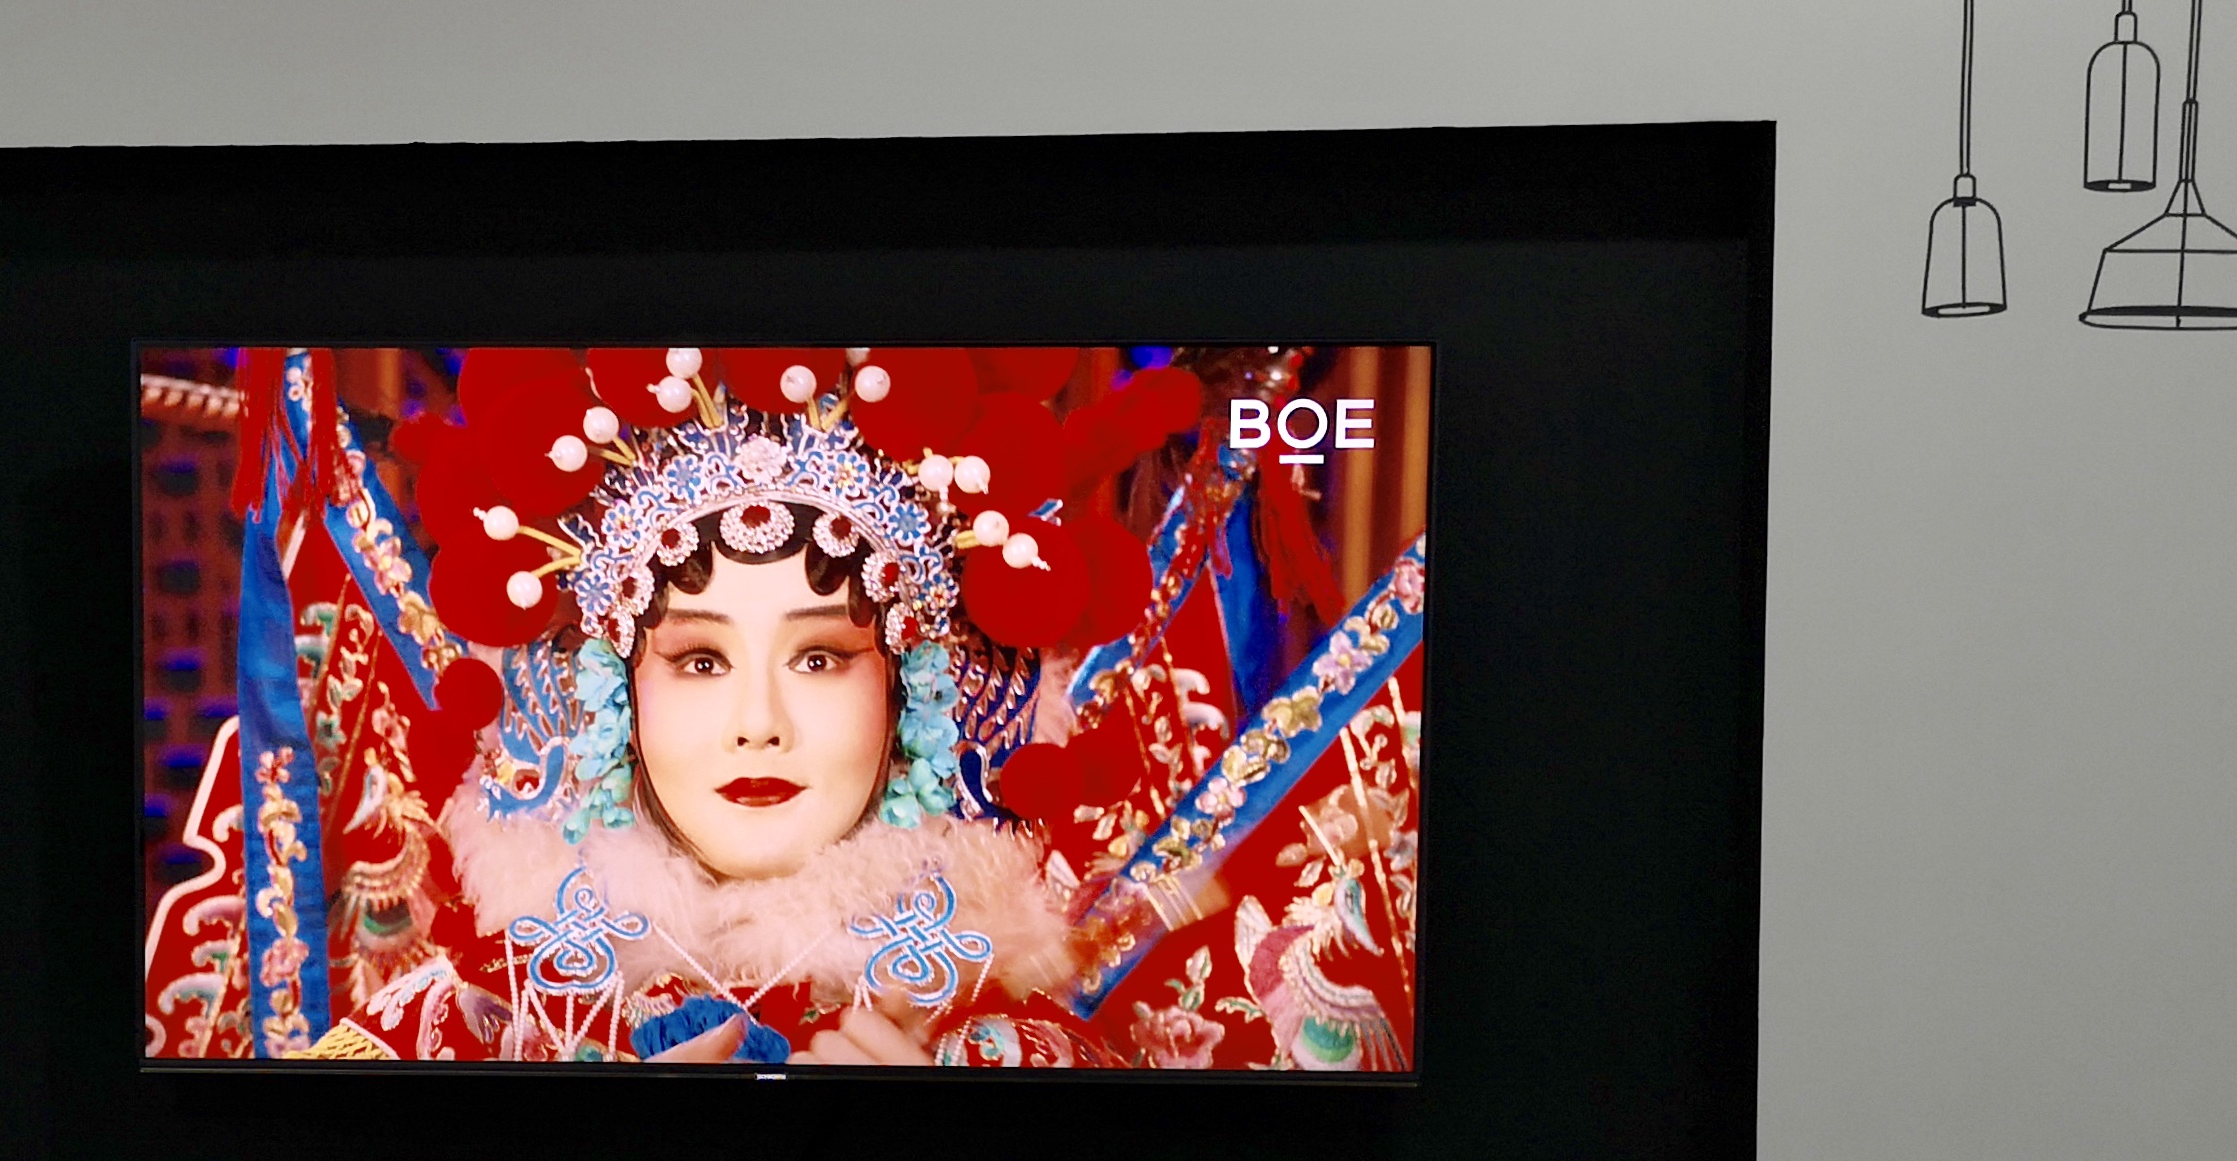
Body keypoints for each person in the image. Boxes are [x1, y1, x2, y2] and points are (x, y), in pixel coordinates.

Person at [141, 345, 1425, 1071]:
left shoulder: (1018, 1054)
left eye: (818, 658)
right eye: (699, 660)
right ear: (609, 695)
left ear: (913, 697)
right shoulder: (456, 1025)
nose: (757, 722)